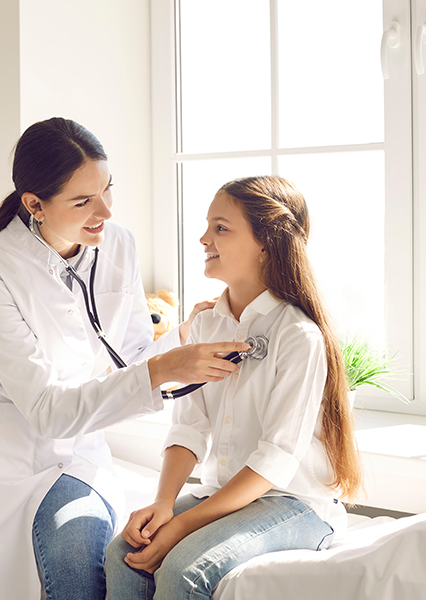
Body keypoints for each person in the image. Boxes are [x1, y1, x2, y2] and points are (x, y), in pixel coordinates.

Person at [0, 117, 248, 600]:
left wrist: (183, 340)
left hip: (77, 454)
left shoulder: (117, 245)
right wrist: (163, 368)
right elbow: (45, 409)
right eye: (83, 201)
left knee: (82, 565)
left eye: (107, 190)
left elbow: (129, 357)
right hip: (0, 452)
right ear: (34, 204)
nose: (104, 211)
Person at [105, 175, 363, 600]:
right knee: (123, 554)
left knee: (184, 571)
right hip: (226, 496)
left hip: (294, 503)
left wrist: (183, 526)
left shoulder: (299, 335)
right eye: (208, 225)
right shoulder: (207, 324)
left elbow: (276, 459)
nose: (204, 237)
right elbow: (189, 428)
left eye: (221, 228)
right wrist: (164, 504)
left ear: (267, 243)